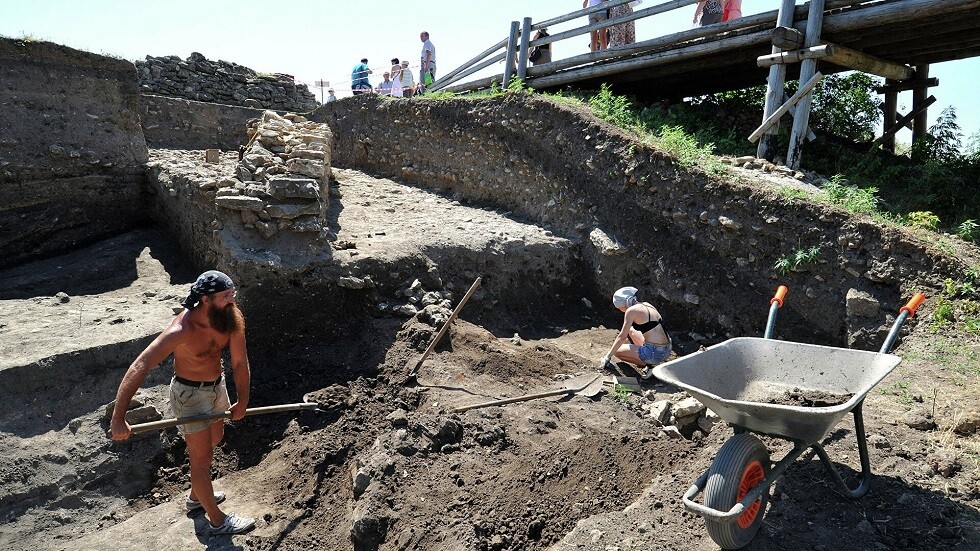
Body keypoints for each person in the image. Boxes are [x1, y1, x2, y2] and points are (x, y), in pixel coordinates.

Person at [110, 270, 254, 536]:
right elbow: (141, 365)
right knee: (201, 459)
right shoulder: (182, 330)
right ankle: (217, 521)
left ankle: (196, 496)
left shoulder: (231, 317)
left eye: (232, 294)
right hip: (189, 395)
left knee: (216, 437)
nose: (232, 300)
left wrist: (242, 400)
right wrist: (118, 417)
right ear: (206, 300)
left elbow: (238, 361)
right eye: (225, 296)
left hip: (216, 387)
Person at [600, 286, 672, 380]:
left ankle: (650, 365)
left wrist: (608, 356)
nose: (620, 310)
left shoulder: (631, 311)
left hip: (655, 354)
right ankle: (649, 359)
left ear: (624, 304)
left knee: (617, 351)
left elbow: (622, 337)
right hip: (667, 349)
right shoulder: (646, 304)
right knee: (631, 330)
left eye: (619, 307)